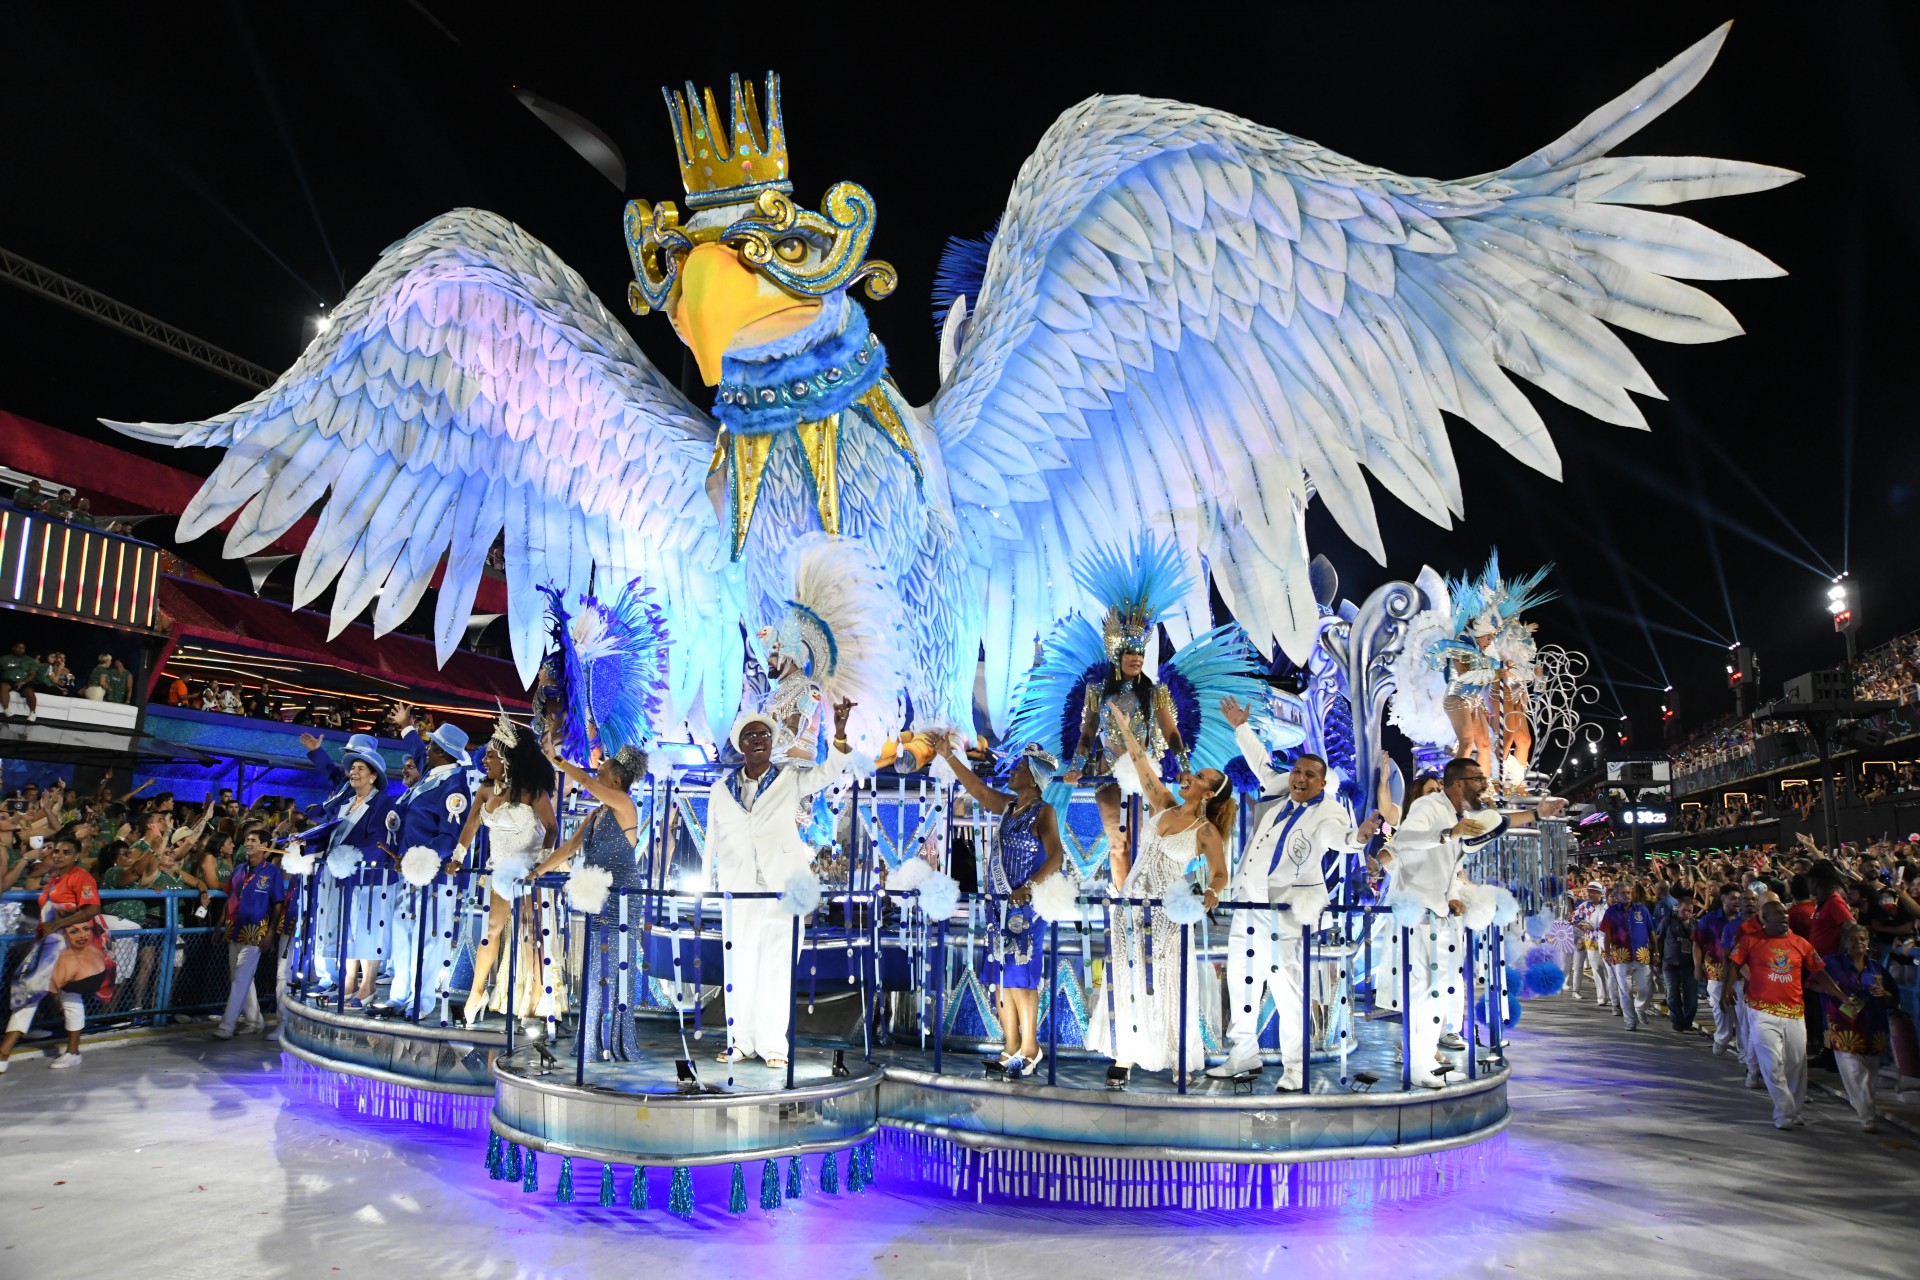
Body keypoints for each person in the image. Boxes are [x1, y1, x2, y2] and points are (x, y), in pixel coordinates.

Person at [1207, 694, 1373, 1091]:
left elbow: (1340, 838)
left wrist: (1359, 837)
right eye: (1296, 771)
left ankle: (1297, 1069)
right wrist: (1240, 727)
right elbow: (1262, 763)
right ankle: (1242, 1054)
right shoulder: (1281, 794)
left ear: (1322, 782)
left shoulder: (1327, 811)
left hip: (1286, 911)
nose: (1298, 778)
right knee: (1243, 980)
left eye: (1308, 775)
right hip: (1249, 903)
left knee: (1288, 990)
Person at [1085, 708, 1231, 1089]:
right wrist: (1126, 729)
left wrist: (1212, 894)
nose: (1190, 777)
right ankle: (1124, 1053)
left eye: (1199, 777)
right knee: (1125, 973)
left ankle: (1175, 1052)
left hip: (1166, 911)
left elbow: (1220, 873)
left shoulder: (1206, 830)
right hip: (1129, 905)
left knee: (1166, 981)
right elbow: (1142, 765)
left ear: (1209, 793)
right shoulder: (1164, 804)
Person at [703, 702, 854, 1069]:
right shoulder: (721, 790)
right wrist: (709, 884)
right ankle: (741, 1042)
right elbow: (712, 840)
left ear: (772, 743)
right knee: (739, 967)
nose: (759, 741)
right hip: (739, 891)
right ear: (741, 745)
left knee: (777, 968)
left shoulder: (789, 778)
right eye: (751, 736)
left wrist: (839, 733)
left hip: (782, 890)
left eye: (764, 736)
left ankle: (774, 1046)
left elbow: (829, 771)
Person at [934, 738, 1067, 1080]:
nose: (1014, 771)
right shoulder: (1009, 806)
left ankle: (1030, 1047)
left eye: (1021, 768)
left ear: (1034, 778)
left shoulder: (1044, 812)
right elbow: (977, 790)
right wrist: (948, 756)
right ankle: (1009, 1047)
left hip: (1025, 908)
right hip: (998, 907)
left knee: (1022, 977)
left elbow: (1056, 856)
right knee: (1001, 978)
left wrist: (1030, 886)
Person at [451, 716, 560, 1035]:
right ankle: (475, 995)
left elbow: (552, 829)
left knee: (529, 934)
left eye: (489, 755)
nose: (483, 759)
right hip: (498, 872)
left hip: (528, 875)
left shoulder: (532, 791)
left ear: (507, 759)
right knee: (491, 931)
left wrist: (538, 866)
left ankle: (532, 1002)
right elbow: (470, 825)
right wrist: (457, 857)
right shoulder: (485, 789)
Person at [542, 740, 649, 1061]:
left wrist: (557, 759)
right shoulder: (598, 813)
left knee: (615, 968)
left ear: (615, 782)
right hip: (597, 896)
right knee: (595, 969)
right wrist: (538, 870)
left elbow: (585, 781)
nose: (593, 776)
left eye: (600, 773)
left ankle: (613, 1041)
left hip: (620, 895)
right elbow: (570, 847)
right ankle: (591, 1041)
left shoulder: (625, 804)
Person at [1723, 900, 1845, 1129]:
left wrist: (1840, 995)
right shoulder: (1750, 941)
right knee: (1771, 1065)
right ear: (1765, 919)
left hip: (1795, 1014)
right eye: (1778, 914)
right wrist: (1726, 990)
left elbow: (1820, 973)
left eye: (1785, 914)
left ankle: (1793, 1111)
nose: (1784, 917)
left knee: (1796, 1066)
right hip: (1762, 1012)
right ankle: (1784, 1111)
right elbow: (1734, 965)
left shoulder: (1801, 943)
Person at [378, 722, 473, 1018]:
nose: (425, 750)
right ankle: (399, 995)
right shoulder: (432, 776)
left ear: (442, 752)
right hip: (408, 871)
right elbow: (419, 753)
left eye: (431, 746)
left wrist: (423, 860)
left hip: (431, 875)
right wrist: (406, 726)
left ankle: (421, 1000)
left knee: (428, 939)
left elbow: (450, 836)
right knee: (404, 934)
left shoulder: (454, 786)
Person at [0, 829, 112, 1071]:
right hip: (50, 945)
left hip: (69, 947)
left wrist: (58, 925)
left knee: (43, 991)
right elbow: (34, 875)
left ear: (76, 855)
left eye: (66, 852)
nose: (59, 856)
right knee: (33, 990)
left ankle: (9, 1053)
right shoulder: (55, 877)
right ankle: (6, 1054)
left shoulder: (81, 877)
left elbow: (92, 908)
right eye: (57, 851)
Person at [319, 737, 396, 1009]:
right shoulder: (346, 803)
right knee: (347, 930)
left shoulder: (382, 802)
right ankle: (349, 982)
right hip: (344, 878)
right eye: (352, 768)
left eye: (361, 768)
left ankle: (368, 986)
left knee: (367, 931)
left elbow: (379, 841)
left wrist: (349, 858)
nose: (354, 772)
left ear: (374, 776)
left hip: (370, 879)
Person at [213, 827, 287, 1038]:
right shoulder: (238, 869)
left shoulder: (272, 872)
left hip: (255, 932)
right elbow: (230, 898)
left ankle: (226, 1026)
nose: (248, 843)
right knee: (239, 978)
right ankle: (255, 1021)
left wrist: (271, 933)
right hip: (232, 928)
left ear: (263, 846)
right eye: (247, 840)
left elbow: (277, 904)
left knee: (240, 979)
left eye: (253, 840)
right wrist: (219, 925)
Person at [1822, 922, 1893, 1131]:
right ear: (1845, 943)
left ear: (1868, 942)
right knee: (1854, 1073)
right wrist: (1834, 993)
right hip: (1845, 1028)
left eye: (1862, 939)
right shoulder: (1832, 964)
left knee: (1871, 1075)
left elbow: (1892, 995)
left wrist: (1885, 994)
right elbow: (1815, 982)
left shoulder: (1876, 967)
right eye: (1853, 940)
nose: (1858, 943)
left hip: (1873, 1026)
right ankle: (1867, 1116)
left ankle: (1865, 1109)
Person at [1694, 883, 1745, 1059]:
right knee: (1721, 1009)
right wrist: (1697, 966)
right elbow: (1697, 943)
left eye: (1739, 898)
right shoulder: (1709, 919)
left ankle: (1744, 1053)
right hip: (1716, 973)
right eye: (1733, 898)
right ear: (1723, 899)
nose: (1737, 902)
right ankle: (1722, 1038)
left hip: (1739, 975)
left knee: (1741, 1015)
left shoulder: (1744, 921)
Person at [1602, 883, 1657, 1031]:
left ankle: (1640, 1007)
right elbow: (1607, 935)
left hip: (1642, 955)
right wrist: (1607, 953)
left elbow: (1652, 932)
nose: (1626, 895)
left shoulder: (1642, 910)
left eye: (1628, 892)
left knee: (1646, 989)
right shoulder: (1611, 912)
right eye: (1623, 893)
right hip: (1621, 956)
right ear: (1616, 896)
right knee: (1625, 991)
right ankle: (1630, 1021)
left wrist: (1656, 952)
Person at [1659, 895, 1700, 1033]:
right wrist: (1657, 956)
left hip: (1689, 965)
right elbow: (1659, 938)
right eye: (1684, 910)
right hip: (1670, 964)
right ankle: (1677, 1021)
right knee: (1672, 994)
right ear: (1678, 909)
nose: (1687, 913)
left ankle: (1687, 1021)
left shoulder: (1696, 924)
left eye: (1690, 910)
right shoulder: (1668, 921)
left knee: (1692, 997)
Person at [1568, 883, 1610, 1005]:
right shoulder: (1584, 906)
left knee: (1609, 971)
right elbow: (1572, 918)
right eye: (1589, 891)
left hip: (1607, 942)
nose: (1589, 894)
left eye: (1592, 891)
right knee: (1596, 969)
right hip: (1591, 942)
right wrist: (1581, 926)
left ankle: (1613, 996)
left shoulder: (1606, 905)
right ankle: (1602, 997)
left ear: (1599, 893)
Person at [0, 641, 43, 722]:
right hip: (9, 679)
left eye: (23, 648)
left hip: (24, 681)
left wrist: (22, 682)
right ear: (13, 648)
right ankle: (6, 710)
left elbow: (32, 674)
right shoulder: (4, 658)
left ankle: (33, 713)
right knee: (3, 686)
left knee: (29, 691)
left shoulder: (29, 660)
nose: (21, 650)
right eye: (19, 647)